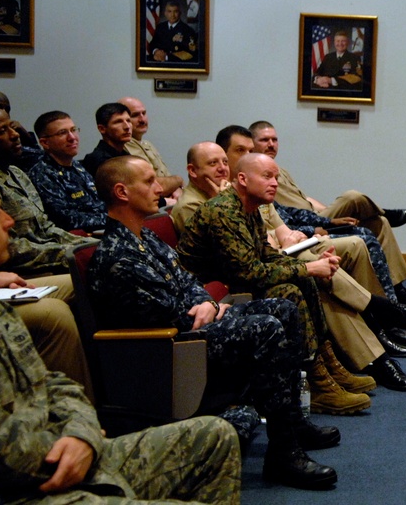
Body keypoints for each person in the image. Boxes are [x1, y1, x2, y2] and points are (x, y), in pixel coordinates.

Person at [88, 156, 341, 490]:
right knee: (266, 328)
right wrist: (202, 307)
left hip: (193, 325)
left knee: (282, 308)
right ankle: (283, 453)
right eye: (149, 181)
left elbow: (188, 280)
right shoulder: (118, 255)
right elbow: (163, 314)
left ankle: (292, 422)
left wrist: (207, 302)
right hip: (169, 347)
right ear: (122, 192)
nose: (159, 187)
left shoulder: (145, 237)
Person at [0, 177, 244, 505]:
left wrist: (82, 433)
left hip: (73, 449)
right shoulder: (117, 252)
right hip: (30, 485)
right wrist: (82, 443)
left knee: (216, 436)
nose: (9, 220)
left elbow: (54, 385)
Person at [178, 149, 406, 397]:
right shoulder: (224, 211)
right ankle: (317, 377)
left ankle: (328, 366)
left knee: (306, 280)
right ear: (242, 179)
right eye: (267, 177)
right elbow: (248, 272)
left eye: (276, 177)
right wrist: (308, 268)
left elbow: (266, 254)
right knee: (291, 288)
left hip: (232, 281)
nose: (274, 183)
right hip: (207, 295)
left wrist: (310, 269)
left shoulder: (249, 207)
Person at [248, 120, 406, 310]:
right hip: (301, 226)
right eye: (264, 140)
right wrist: (325, 223)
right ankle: (382, 211)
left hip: (313, 215)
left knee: (379, 223)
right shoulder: (257, 175)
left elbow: (304, 199)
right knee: (352, 197)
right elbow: (282, 216)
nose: (271, 144)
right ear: (253, 144)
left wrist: (325, 214)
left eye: (274, 140)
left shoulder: (280, 170)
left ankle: (397, 288)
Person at [0, 107, 95, 394]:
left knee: (97, 269)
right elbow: (12, 248)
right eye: (3, 131)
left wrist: (85, 247)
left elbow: (46, 227)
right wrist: (71, 254)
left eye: (13, 127)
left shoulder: (17, 174)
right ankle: (83, 396)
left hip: (36, 262)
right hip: (20, 268)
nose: (15, 135)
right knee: (78, 287)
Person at [28, 110, 106, 233]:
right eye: (62, 133)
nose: (72, 137)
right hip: (80, 236)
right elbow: (66, 219)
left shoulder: (77, 166)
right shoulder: (42, 174)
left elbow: (100, 202)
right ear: (45, 143)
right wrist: (112, 219)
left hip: (103, 228)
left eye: (73, 130)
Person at [119, 96, 184, 201]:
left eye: (144, 113)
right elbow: (153, 184)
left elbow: (166, 178)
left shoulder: (147, 144)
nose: (142, 120)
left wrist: (178, 188)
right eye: (135, 115)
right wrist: (179, 180)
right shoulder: (125, 146)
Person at [0, 90, 43, 168]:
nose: (4, 112)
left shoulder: (15, 131)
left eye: (7, 109)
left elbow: (38, 159)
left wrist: (26, 136)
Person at [81, 102, 132, 177]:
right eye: (118, 122)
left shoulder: (124, 154)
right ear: (102, 129)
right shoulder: (99, 160)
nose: (127, 127)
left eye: (128, 121)